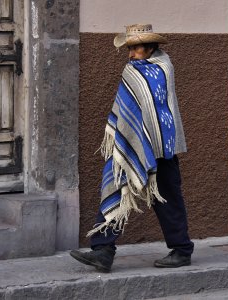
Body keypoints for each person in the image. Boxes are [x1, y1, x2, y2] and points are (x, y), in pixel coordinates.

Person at [70, 24, 194, 272]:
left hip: (162, 145)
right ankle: (103, 251)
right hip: (131, 142)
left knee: (167, 197)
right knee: (117, 187)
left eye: (135, 48)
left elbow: (157, 107)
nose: (130, 54)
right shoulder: (133, 69)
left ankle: (181, 250)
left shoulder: (163, 68)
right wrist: (124, 137)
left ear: (150, 48)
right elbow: (129, 108)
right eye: (129, 49)